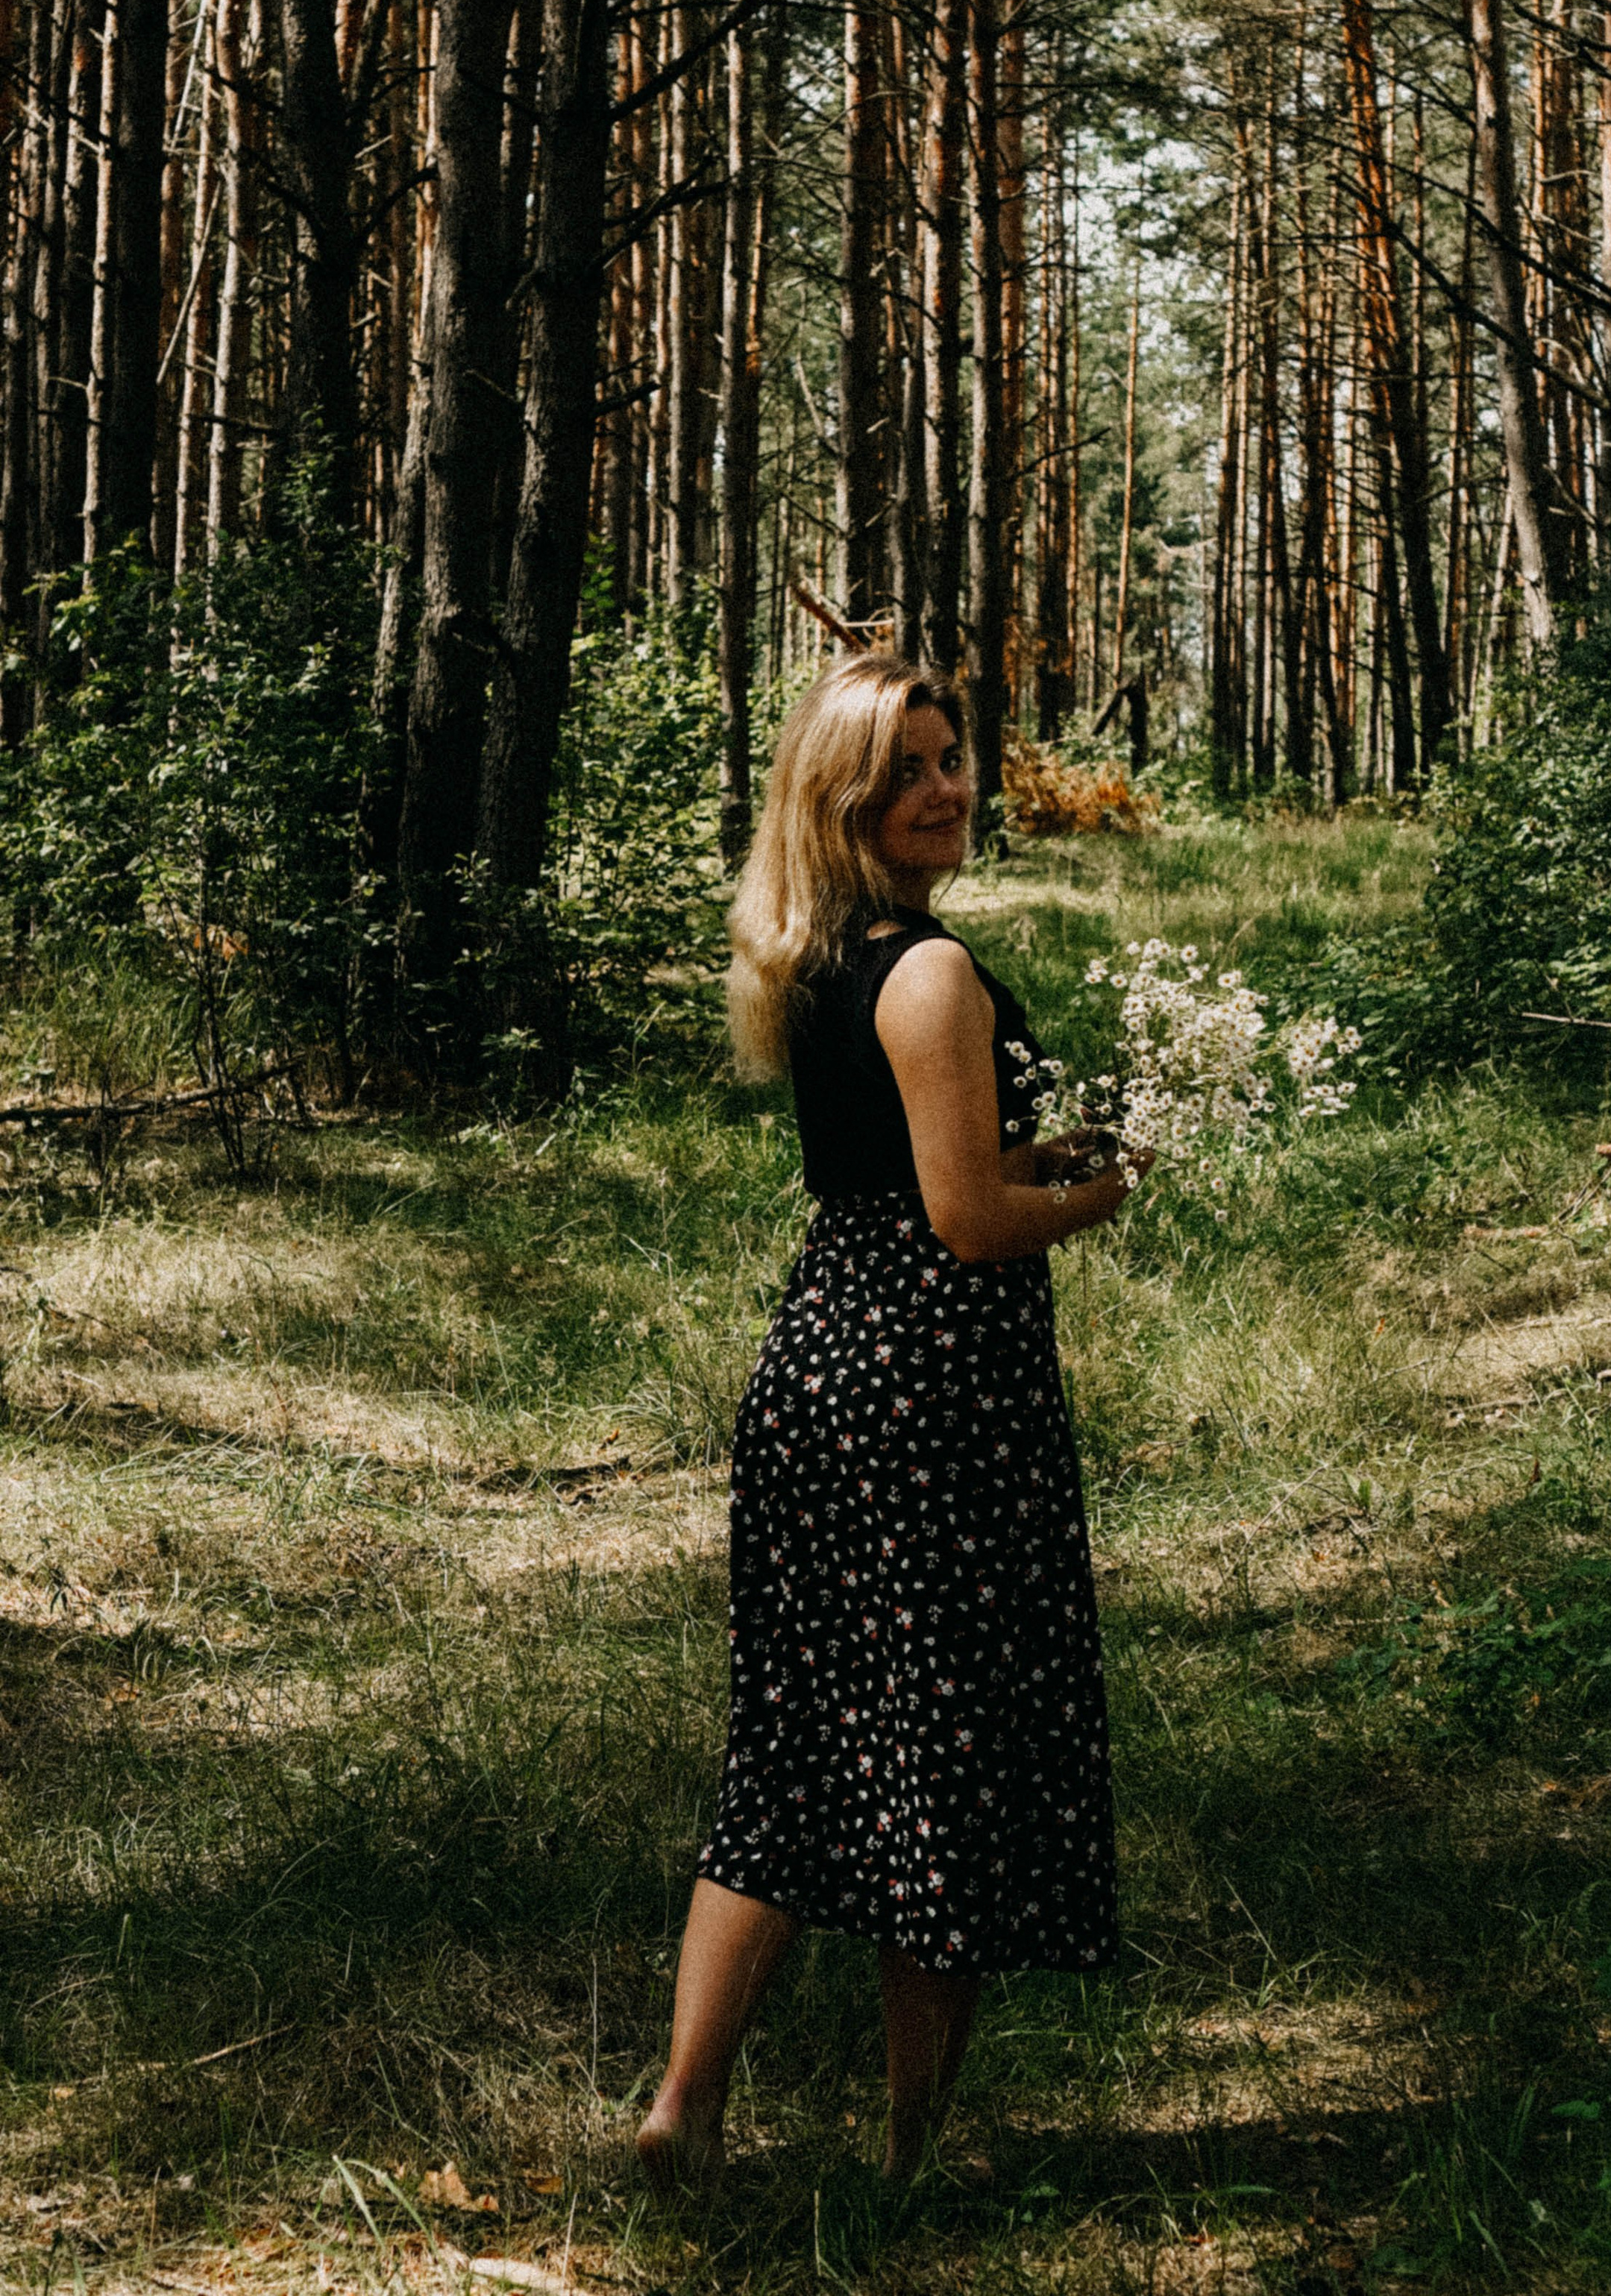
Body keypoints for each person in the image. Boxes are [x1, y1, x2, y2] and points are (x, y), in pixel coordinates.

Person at [635, 654, 1142, 2193]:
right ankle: (908, 2160)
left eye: (951, 758)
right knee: (947, 1757)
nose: (948, 789)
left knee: (792, 1749)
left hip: (828, 1366)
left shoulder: (826, 956)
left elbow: (897, 1161)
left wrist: (1039, 1145)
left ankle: (681, 2111)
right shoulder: (927, 972)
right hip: (928, 1396)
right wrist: (1103, 1184)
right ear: (846, 799)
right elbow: (971, 1223)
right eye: (910, 770)